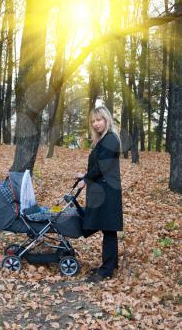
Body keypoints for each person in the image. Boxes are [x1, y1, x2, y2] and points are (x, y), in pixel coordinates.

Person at [76, 106, 123, 282]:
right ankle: (111, 264)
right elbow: (98, 165)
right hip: (103, 189)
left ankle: (107, 270)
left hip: (107, 191)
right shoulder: (104, 140)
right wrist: (85, 175)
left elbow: (103, 166)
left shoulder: (111, 139)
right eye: (93, 121)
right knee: (107, 228)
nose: (96, 124)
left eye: (99, 120)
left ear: (106, 119)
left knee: (108, 229)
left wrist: (86, 179)